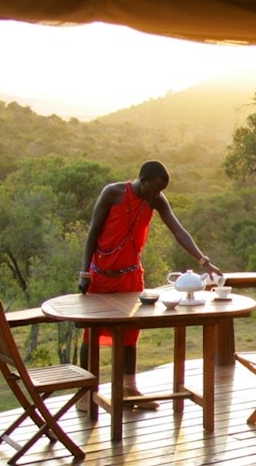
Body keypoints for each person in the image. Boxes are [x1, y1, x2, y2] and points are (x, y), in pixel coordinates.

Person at [78, 160, 221, 408]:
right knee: (91, 335)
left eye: (161, 190)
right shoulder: (113, 193)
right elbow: (93, 231)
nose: (158, 194)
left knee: (130, 336)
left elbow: (178, 231)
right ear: (142, 181)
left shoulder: (154, 200)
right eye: (155, 189)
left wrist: (204, 261)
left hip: (131, 277)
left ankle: (129, 392)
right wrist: (84, 272)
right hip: (101, 275)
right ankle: (84, 395)